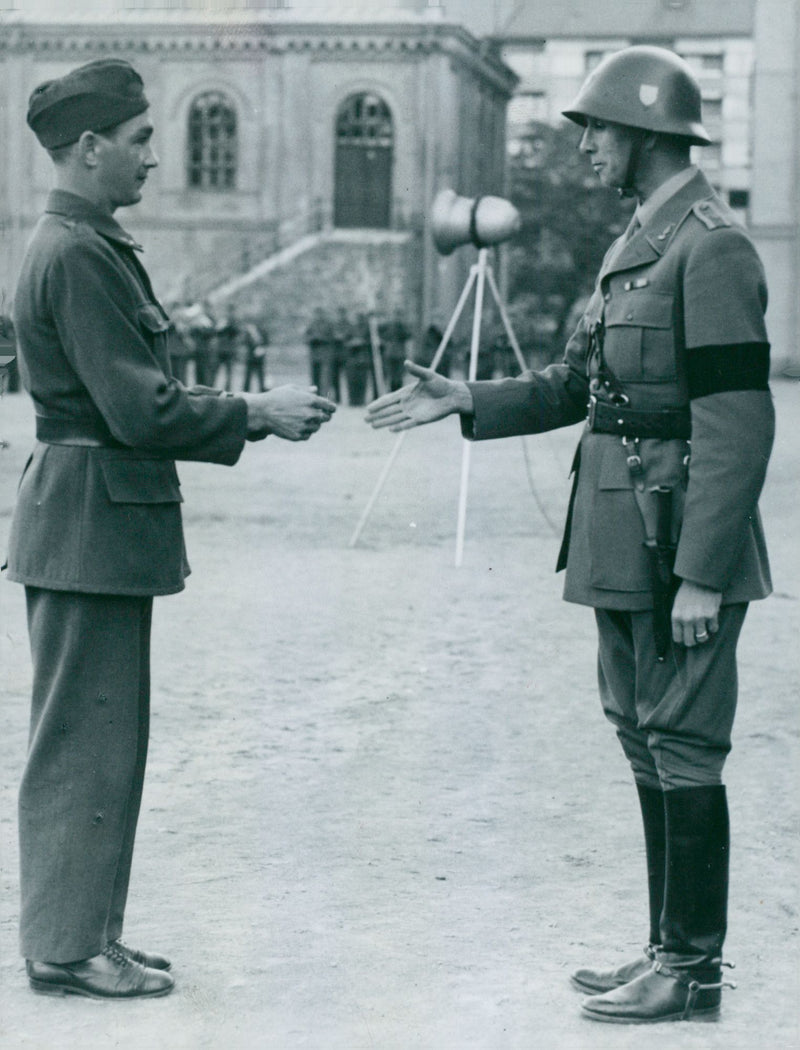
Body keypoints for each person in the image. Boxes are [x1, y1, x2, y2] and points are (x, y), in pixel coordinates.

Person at [366, 45, 774, 1025]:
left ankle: (692, 968)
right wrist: (468, 395)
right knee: (643, 737)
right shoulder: (636, 239)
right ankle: (662, 949)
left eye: (592, 127)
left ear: (640, 130)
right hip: (617, 530)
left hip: (675, 539)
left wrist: (700, 578)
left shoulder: (708, 247)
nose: (584, 144)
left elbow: (735, 424)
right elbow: (570, 387)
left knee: (682, 743)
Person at [4, 58, 336, 1001]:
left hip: (93, 521)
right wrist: (256, 412)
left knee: (104, 739)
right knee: (83, 743)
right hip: (89, 519)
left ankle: (83, 934)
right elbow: (139, 408)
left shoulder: (87, 244)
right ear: (90, 146)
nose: (155, 155)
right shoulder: (74, 252)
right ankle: (67, 947)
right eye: (141, 138)